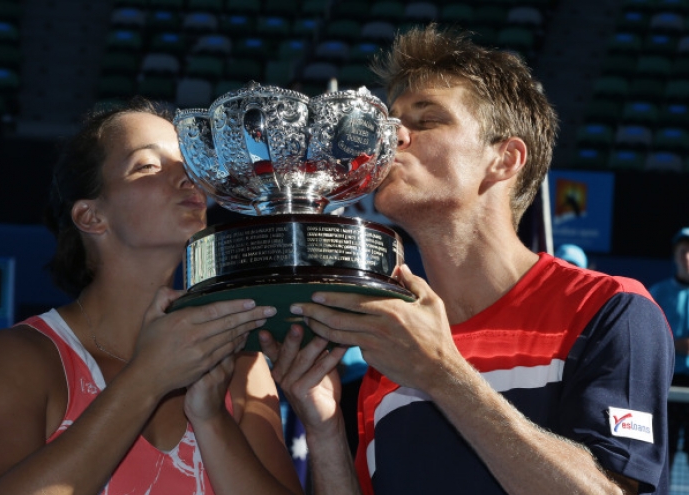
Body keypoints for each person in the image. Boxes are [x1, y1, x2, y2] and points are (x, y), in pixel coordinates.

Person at [260, 25, 673, 495]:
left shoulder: (609, 310)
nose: (392, 136)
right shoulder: (392, 346)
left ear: (504, 159)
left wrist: (442, 373)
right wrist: (325, 427)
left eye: (425, 119)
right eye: (390, 122)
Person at [0, 97, 305, 495]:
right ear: (91, 216)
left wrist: (210, 418)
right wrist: (147, 378)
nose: (189, 178)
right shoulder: (14, 359)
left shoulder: (240, 362)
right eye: (148, 166)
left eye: (188, 164)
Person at [650, 227, 689, 469]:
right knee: (665, 450)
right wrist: (676, 345)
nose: (687, 257)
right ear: (675, 255)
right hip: (668, 384)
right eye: (683, 251)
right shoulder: (658, 293)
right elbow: (650, 339)